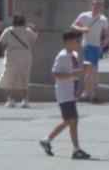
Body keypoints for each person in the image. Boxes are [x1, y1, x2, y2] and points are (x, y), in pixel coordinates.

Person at [39, 29, 91, 159]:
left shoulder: (73, 54)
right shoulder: (62, 56)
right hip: (64, 93)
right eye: (77, 41)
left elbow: (74, 72)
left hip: (71, 92)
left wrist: (83, 69)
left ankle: (47, 140)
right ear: (68, 42)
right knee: (72, 120)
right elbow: (55, 73)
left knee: (69, 120)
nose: (79, 43)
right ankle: (76, 149)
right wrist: (71, 74)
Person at [71, 0, 109, 102]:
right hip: (86, 45)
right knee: (91, 68)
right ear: (92, 5)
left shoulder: (103, 19)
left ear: (101, 7)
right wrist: (82, 29)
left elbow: (106, 34)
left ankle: (87, 91)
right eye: (95, 5)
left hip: (96, 47)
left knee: (93, 70)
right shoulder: (84, 15)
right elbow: (73, 25)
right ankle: (92, 93)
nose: (96, 8)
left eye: (98, 6)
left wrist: (105, 41)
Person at [0, 14, 36, 107]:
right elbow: (34, 38)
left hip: (11, 55)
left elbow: (1, 41)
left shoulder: (8, 30)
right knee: (25, 76)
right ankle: (25, 99)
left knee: (11, 76)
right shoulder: (27, 30)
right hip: (25, 54)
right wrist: (33, 29)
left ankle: (11, 99)